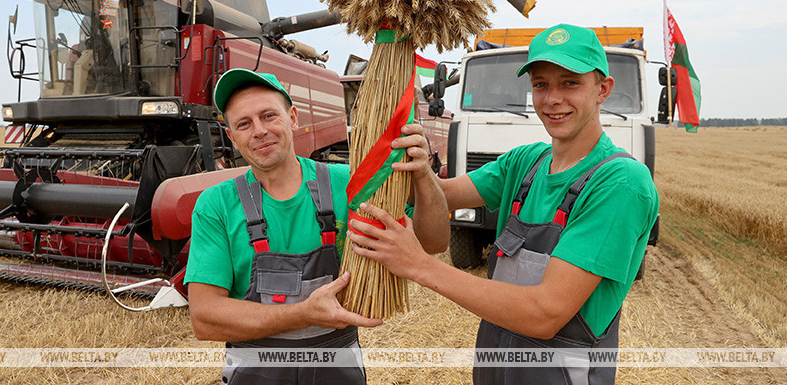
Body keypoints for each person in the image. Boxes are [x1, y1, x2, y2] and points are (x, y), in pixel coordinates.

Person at [348, 24, 660, 384]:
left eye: (570, 83)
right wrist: (417, 167)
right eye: (541, 84)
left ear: (603, 89)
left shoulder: (620, 183)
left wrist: (418, 266)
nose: (552, 98)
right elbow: (443, 195)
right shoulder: (526, 163)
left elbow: (545, 314)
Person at [184, 68, 445, 384]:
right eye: (244, 124)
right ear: (232, 137)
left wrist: (423, 173)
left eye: (269, 116)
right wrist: (303, 314)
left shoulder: (347, 184)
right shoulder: (217, 204)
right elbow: (205, 319)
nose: (259, 131)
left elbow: (434, 242)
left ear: (293, 117)